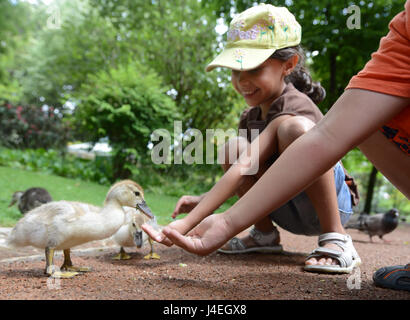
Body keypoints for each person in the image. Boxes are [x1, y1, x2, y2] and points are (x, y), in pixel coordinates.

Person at [143, 0, 410, 290]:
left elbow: (306, 152)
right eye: (235, 71)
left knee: (295, 129)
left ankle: (335, 236)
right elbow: (244, 167)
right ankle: (264, 235)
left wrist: (193, 220)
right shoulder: (250, 117)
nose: (242, 80)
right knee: (234, 147)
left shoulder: (297, 106)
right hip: (283, 204)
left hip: (330, 202)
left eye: (253, 69)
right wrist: (201, 203)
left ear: (289, 65)